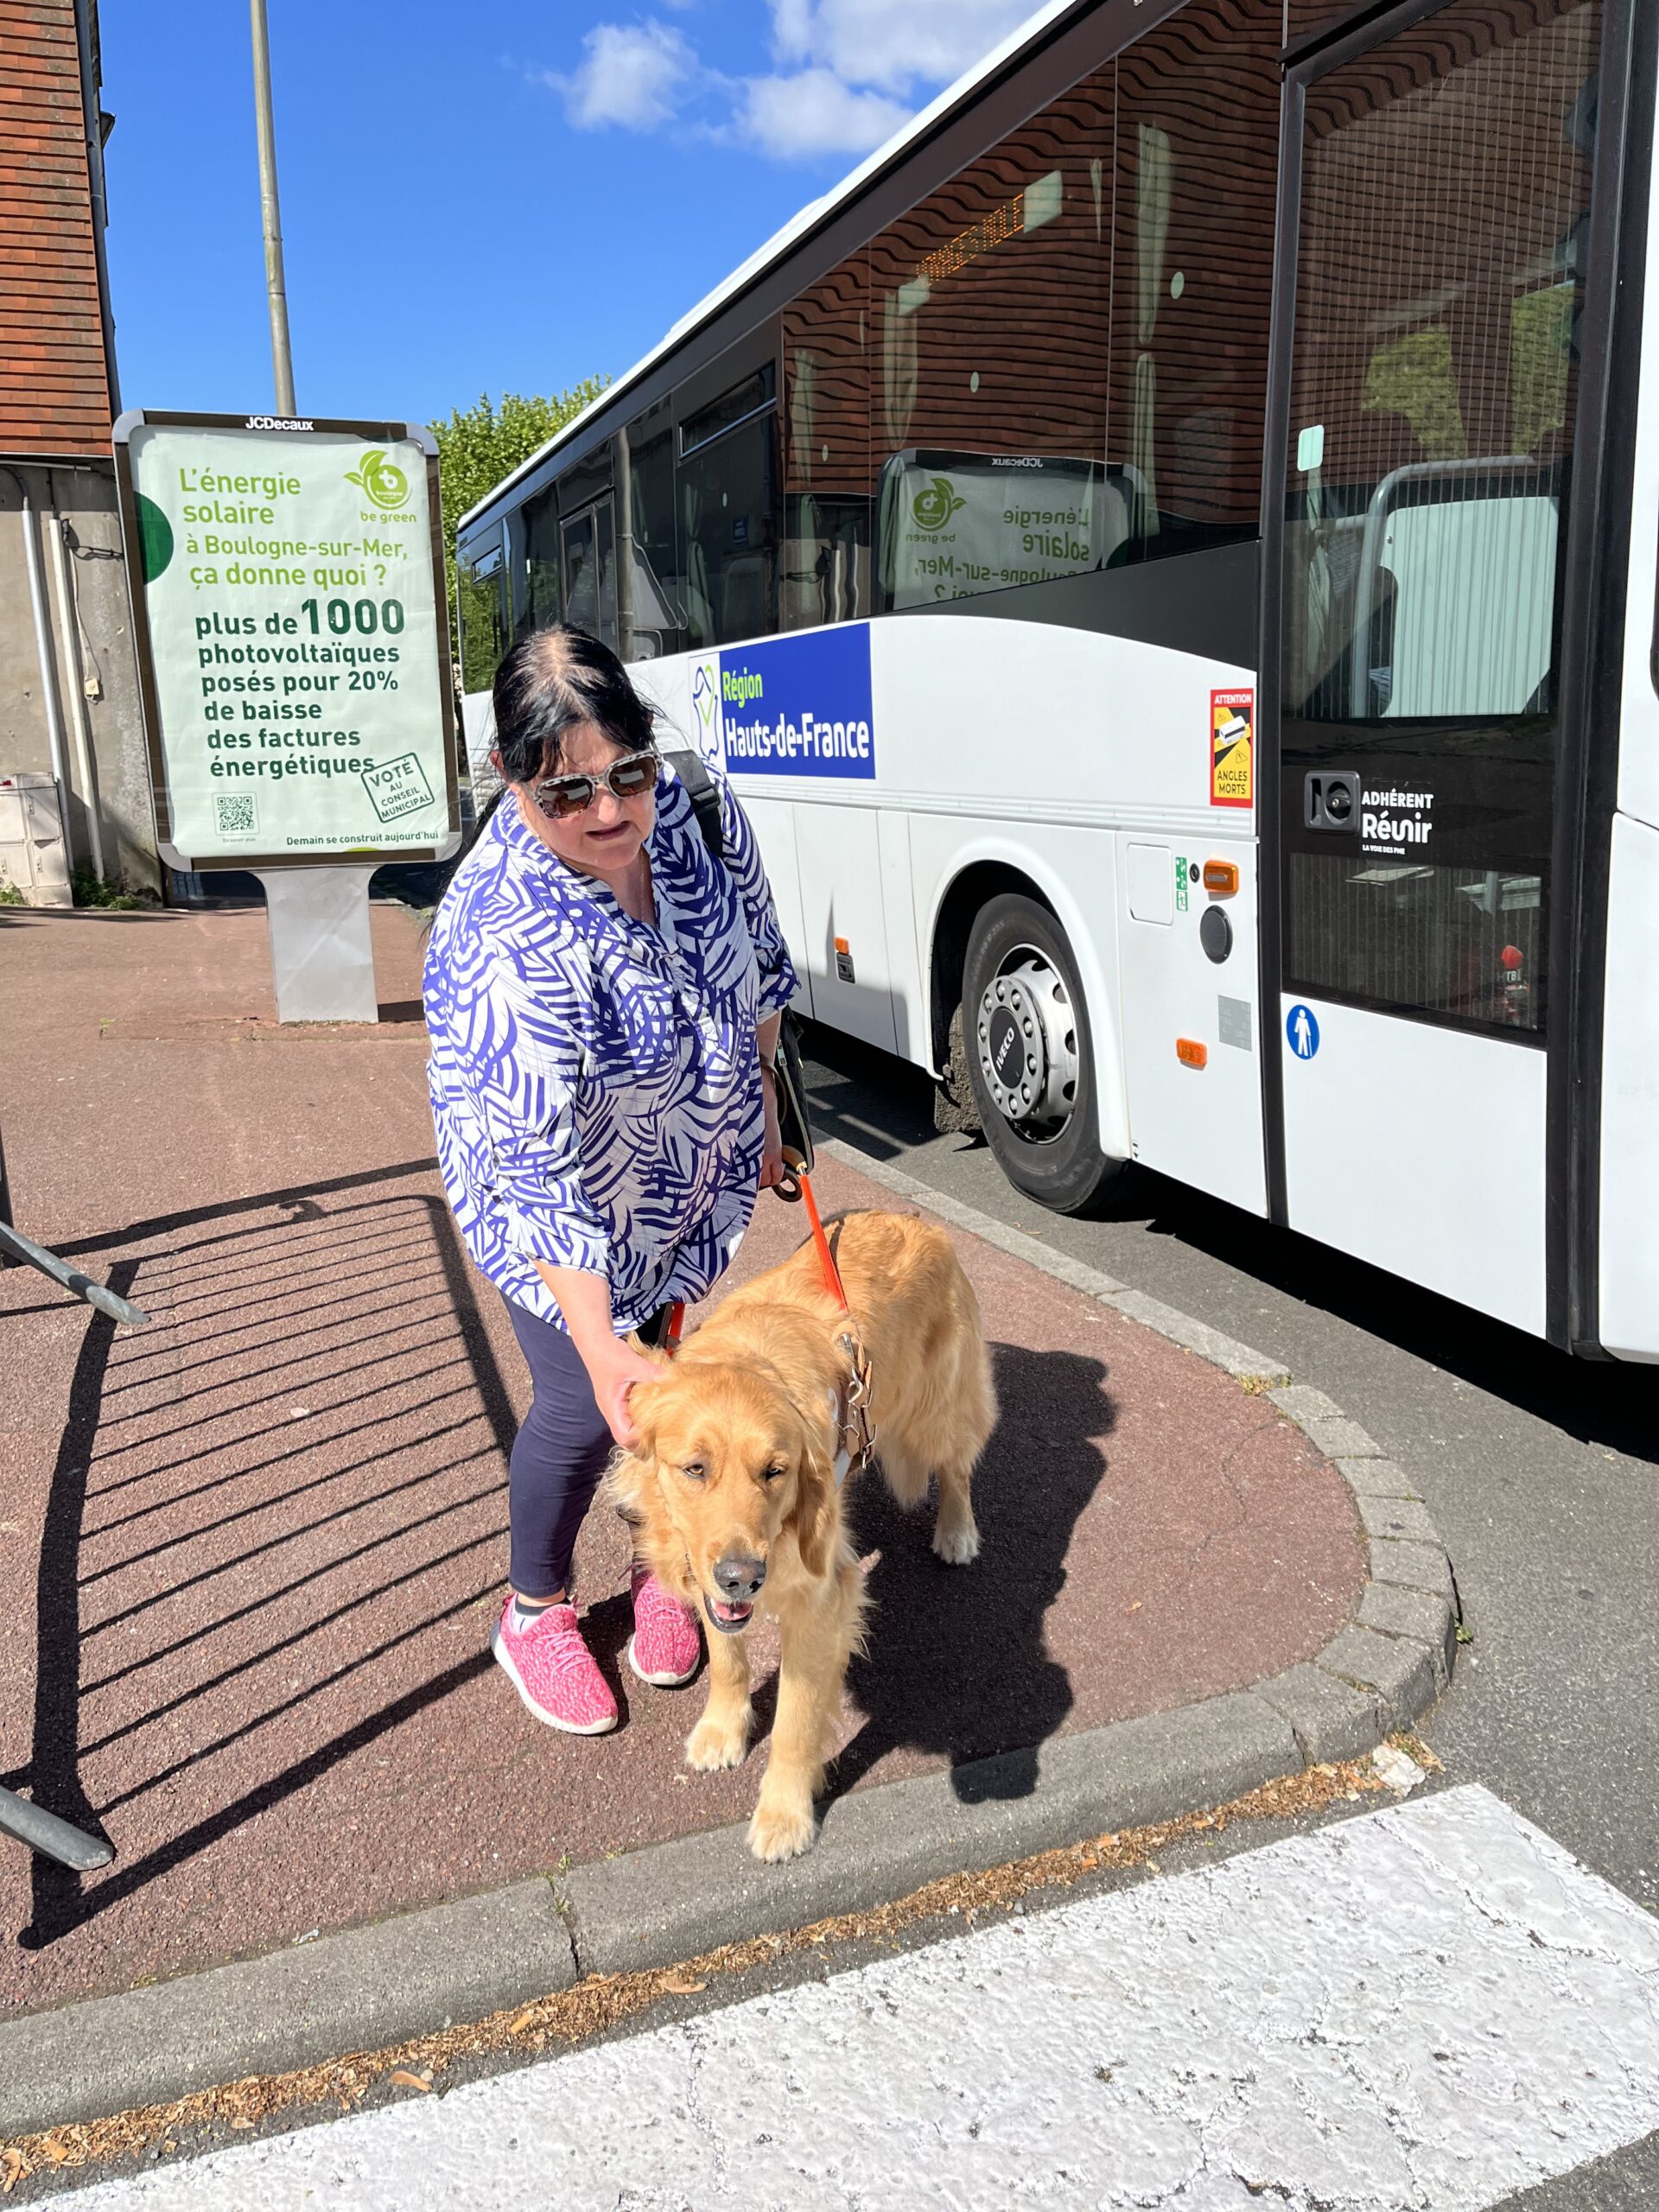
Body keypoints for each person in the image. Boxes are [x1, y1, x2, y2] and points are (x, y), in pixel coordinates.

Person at [423, 624, 798, 1733]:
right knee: (588, 1417)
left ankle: (661, 1568)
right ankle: (534, 1606)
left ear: (649, 748)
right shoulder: (505, 931)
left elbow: (759, 957)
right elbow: (535, 1167)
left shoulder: (696, 808)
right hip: (561, 1206)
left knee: (673, 1403)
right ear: (510, 778)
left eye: (625, 773)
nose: (605, 812)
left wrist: (769, 1103)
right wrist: (596, 1342)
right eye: (564, 791)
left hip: (685, 1179)